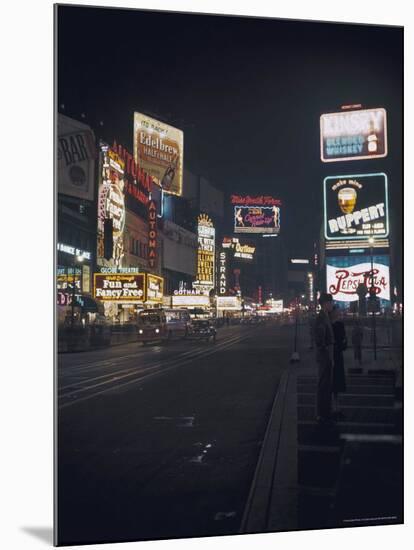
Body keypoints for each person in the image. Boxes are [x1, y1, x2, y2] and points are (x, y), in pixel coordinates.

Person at [314, 293, 335, 423]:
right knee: (323, 385)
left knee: (326, 385)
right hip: (325, 356)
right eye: (330, 302)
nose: (332, 304)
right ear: (325, 303)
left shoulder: (325, 316)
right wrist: (326, 351)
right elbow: (320, 339)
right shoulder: (321, 317)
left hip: (326, 354)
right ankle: (322, 413)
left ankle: (325, 411)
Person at [330, 306, 347, 419]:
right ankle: (333, 407)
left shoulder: (340, 325)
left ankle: (337, 406)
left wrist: (339, 345)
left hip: (337, 356)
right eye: (337, 311)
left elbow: (345, 341)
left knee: (337, 383)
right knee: (332, 382)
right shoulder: (329, 325)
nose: (338, 313)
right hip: (331, 356)